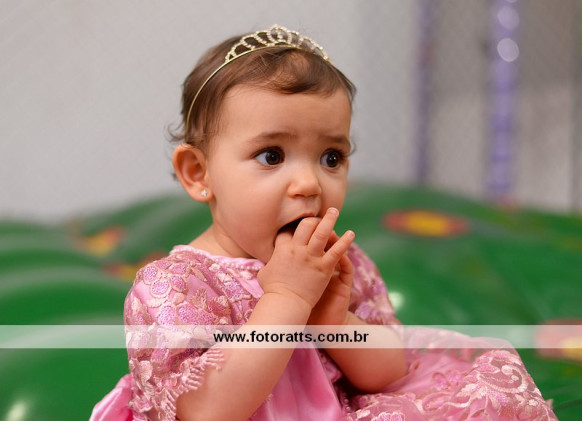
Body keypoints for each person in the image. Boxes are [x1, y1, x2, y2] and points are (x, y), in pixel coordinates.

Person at [91, 25, 557, 420]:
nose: (309, 183)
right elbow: (206, 409)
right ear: (199, 173)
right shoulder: (177, 286)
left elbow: (388, 371)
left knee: (486, 394)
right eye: (271, 156)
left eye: (331, 157)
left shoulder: (338, 264)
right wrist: (287, 299)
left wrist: (334, 320)